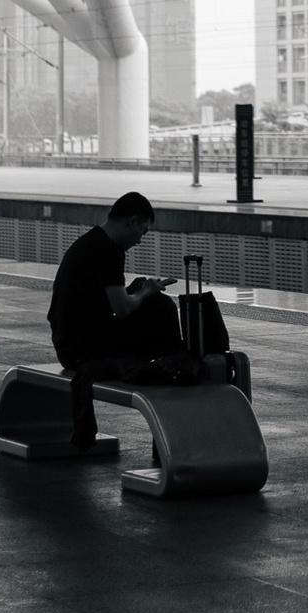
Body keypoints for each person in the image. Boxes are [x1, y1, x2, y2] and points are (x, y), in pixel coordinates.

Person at [48, 191, 196, 451]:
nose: (140, 240)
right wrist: (146, 291)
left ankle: (173, 363)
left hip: (69, 343)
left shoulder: (90, 242)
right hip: (82, 351)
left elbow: (101, 302)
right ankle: (175, 370)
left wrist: (140, 290)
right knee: (160, 307)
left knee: (149, 299)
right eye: (144, 231)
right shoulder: (108, 250)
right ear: (132, 221)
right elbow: (122, 308)